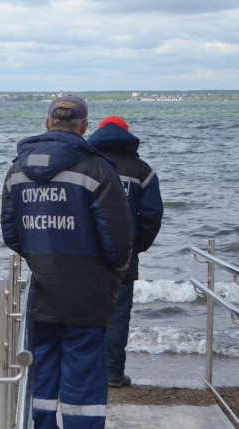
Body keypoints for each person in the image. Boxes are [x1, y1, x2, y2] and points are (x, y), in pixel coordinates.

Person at [1, 95, 132, 429]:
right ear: (83, 127)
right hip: (87, 290)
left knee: (44, 372)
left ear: (46, 123)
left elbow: (11, 234)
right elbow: (118, 240)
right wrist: (113, 273)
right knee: (84, 375)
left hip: (40, 287)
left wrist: (42, 258)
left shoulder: (16, 171)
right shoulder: (96, 168)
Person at [87, 116, 163, 388]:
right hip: (125, 253)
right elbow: (152, 214)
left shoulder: (86, 165)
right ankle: (113, 372)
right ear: (127, 137)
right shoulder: (141, 169)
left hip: (87, 253)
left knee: (84, 311)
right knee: (118, 313)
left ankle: (84, 369)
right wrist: (138, 245)